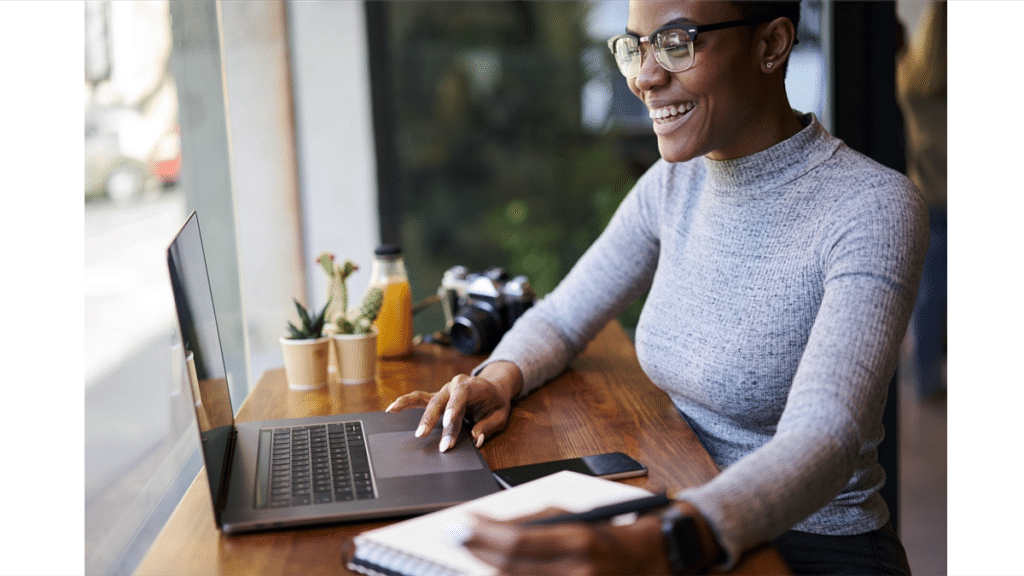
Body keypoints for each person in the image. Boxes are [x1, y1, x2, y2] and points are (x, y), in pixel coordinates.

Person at [386, 1, 928, 574]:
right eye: (635, 47)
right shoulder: (674, 182)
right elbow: (564, 316)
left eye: (677, 42)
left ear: (771, 45)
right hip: (676, 497)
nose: (644, 76)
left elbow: (826, 436)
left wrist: (660, 541)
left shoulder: (871, 207)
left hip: (810, 547)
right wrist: (495, 379)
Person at [897, 1, 946, 401]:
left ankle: (926, 375)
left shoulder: (910, 76)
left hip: (926, 193)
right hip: (948, 197)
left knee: (931, 291)